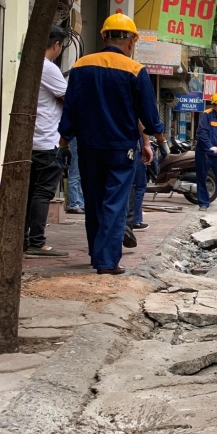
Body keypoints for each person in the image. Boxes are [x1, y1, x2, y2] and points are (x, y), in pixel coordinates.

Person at [58, 14, 166, 275]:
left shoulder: (81, 66)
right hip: (121, 148)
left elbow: (69, 108)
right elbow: (148, 114)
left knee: (94, 201)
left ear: (104, 36)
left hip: (88, 146)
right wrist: (159, 140)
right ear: (131, 41)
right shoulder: (135, 70)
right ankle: (106, 262)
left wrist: (63, 144)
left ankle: (97, 255)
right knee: (114, 203)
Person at [24, 26, 70, 258]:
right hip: (47, 140)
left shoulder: (29, 63)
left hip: (30, 140)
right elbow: (69, 99)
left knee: (31, 192)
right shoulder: (48, 67)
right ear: (56, 45)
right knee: (43, 193)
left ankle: (24, 240)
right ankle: (37, 241)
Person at [66, 136, 84, 214]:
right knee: (75, 173)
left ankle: (79, 203)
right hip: (77, 137)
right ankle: (74, 204)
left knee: (79, 174)